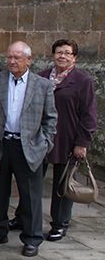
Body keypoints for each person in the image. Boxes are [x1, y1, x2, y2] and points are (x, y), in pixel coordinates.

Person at [0, 41, 57, 257]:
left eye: (17, 57)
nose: (11, 61)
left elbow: (51, 119)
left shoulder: (43, 85)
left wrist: (45, 144)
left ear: (28, 60)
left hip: (28, 146)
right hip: (0, 144)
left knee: (30, 196)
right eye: (9, 57)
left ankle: (32, 238)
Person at [38, 39, 97, 242]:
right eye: (59, 52)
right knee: (32, 180)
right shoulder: (42, 76)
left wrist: (82, 143)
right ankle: (24, 218)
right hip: (41, 137)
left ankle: (60, 224)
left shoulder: (83, 81)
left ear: (74, 57)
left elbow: (89, 115)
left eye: (67, 53)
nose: (62, 56)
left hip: (68, 138)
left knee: (62, 184)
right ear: (53, 54)